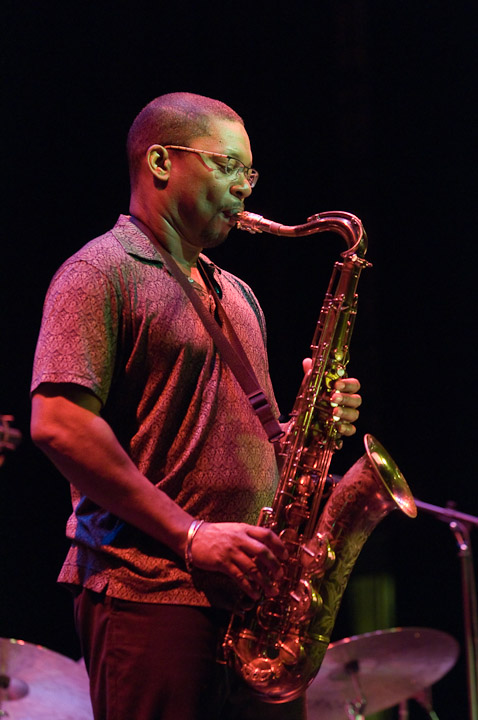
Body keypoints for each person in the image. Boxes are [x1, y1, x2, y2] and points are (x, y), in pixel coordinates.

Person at [30, 92, 362, 720]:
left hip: (253, 609)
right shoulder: (100, 272)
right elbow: (60, 425)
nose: (245, 188)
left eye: (250, 172)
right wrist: (191, 535)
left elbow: (214, 429)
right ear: (160, 161)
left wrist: (308, 427)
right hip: (150, 595)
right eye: (227, 166)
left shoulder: (236, 291)